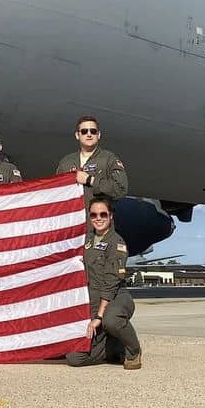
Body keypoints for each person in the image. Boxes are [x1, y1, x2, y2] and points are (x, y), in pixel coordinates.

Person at [66, 197, 142, 370]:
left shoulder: (117, 243)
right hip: (93, 298)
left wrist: (98, 317)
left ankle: (133, 352)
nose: (98, 218)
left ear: (111, 216)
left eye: (103, 214)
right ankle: (114, 348)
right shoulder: (87, 241)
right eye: (93, 214)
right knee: (74, 358)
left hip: (116, 297)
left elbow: (111, 283)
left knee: (111, 320)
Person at [54, 115, 128, 206]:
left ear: (99, 135)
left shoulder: (109, 159)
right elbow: (57, 193)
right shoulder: (66, 162)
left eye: (93, 131)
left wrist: (90, 180)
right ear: (77, 135)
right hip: (74, 217)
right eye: (84, 131)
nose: (89, 134)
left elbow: (121, 190)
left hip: (97, 218)